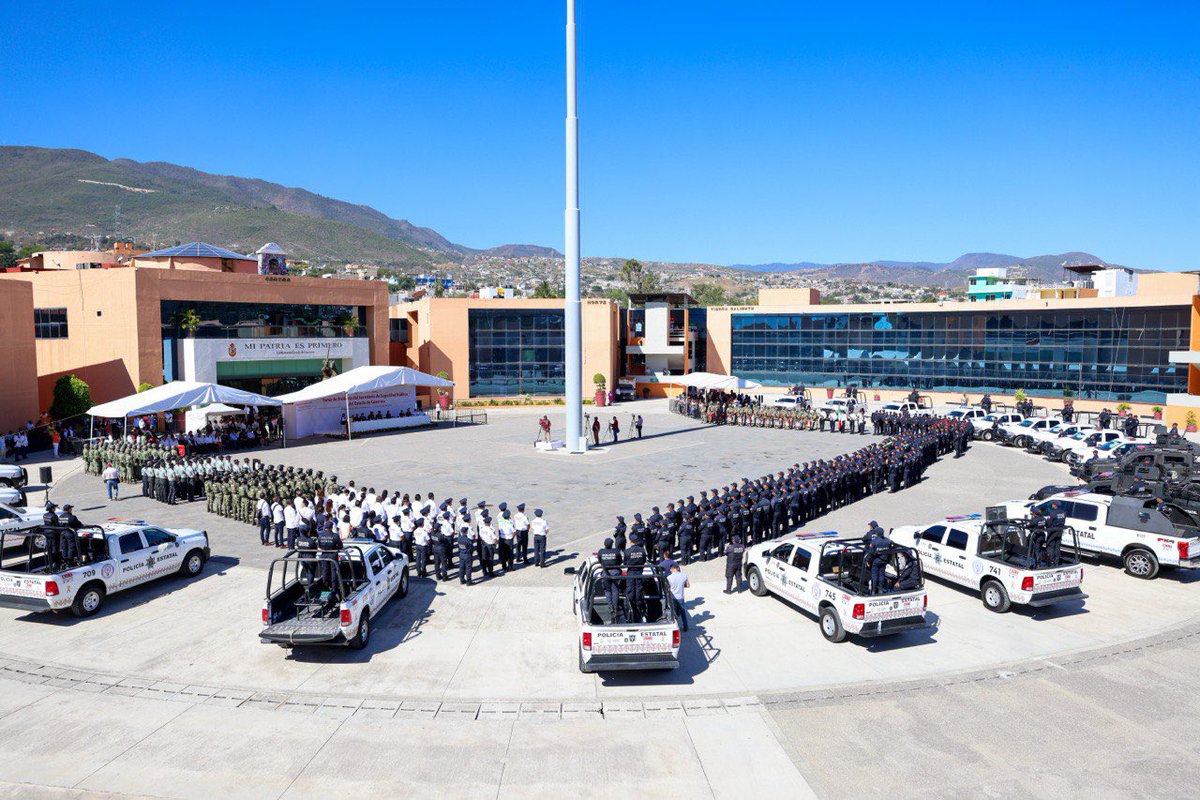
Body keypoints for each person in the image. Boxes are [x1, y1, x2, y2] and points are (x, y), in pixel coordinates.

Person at [597, 538, 623, 621]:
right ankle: (615, 608)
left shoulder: (601, 551)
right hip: (615, 572)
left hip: (605, 573)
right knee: (615, 590)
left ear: (604, 544)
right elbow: (620, 561)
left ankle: (611, 608)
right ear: (612, 544)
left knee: (607, 591)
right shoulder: (616, 551)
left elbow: (600, 561)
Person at [667, 562, 690, 632]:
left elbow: (667, 588)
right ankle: (685, 626)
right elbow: (688, 585)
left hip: (673, 598)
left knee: (674, 613)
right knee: (683, 612)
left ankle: (676, 627)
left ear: (672, 569)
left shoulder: (669, 577)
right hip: (681, 597)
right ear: (677, 568)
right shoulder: (684, 576)